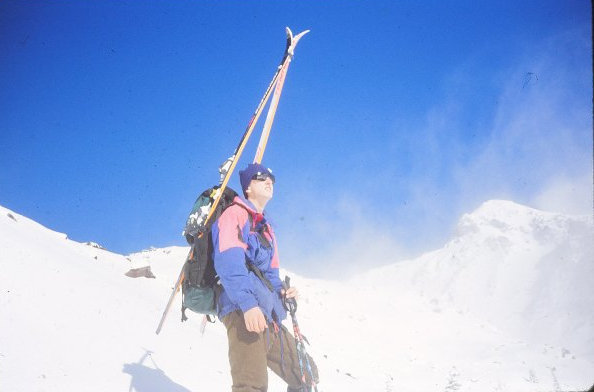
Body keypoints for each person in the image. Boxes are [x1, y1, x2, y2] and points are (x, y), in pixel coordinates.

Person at [212, 163, 318, 392]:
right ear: (247, 188)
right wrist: (248, 305)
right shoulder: (234, 215)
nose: (269, 181)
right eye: (261, 177)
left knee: (306, 374)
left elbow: (271, 274)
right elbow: (228, 263)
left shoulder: (266, 229)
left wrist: (283, 292)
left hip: (268, 315)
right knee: (251, 385)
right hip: (243, 312)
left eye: (272, 178)